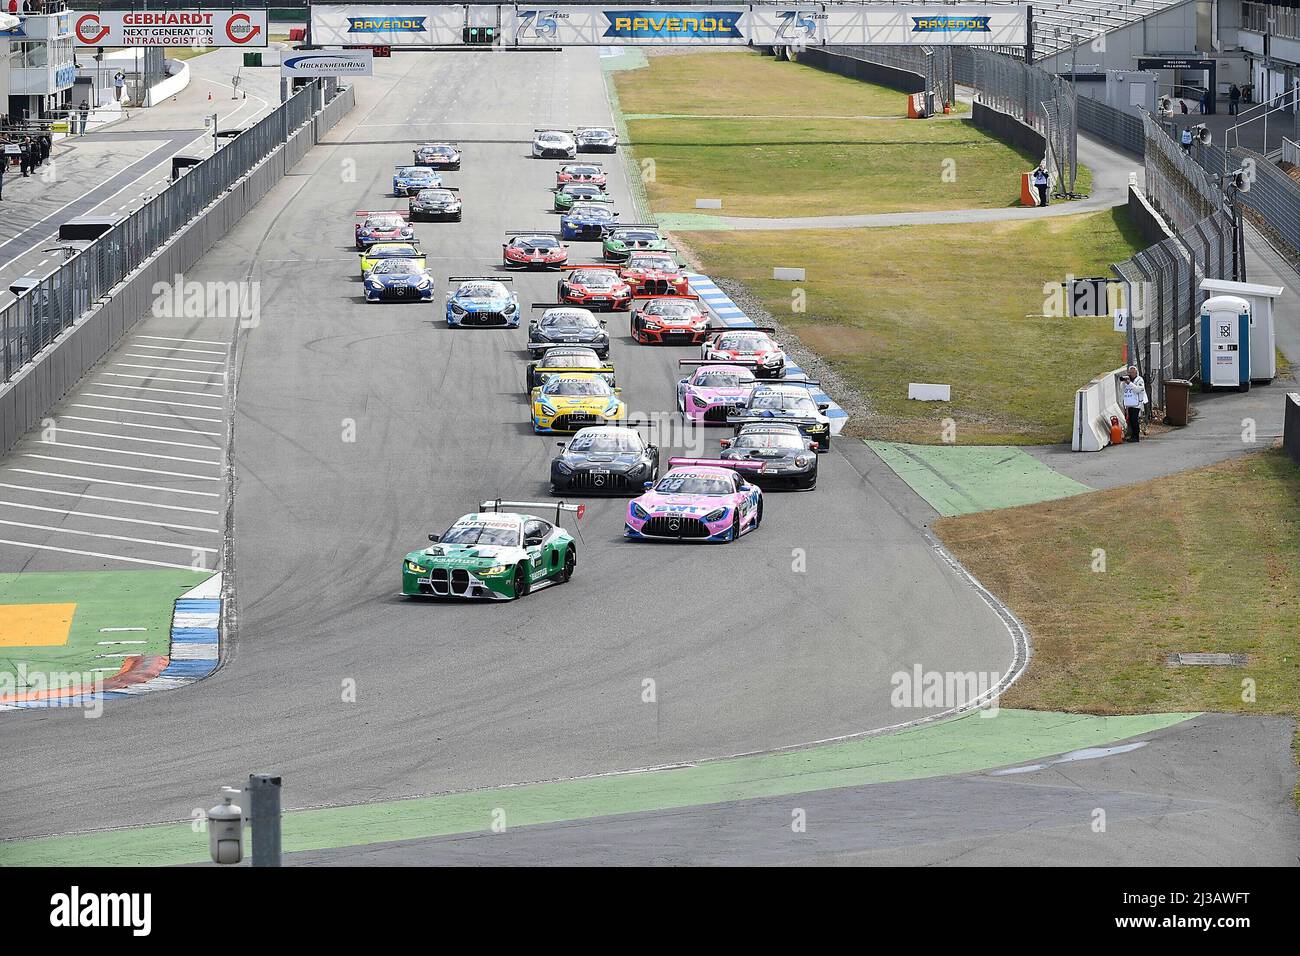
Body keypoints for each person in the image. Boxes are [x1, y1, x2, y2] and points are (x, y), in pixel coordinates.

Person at [1121, 366, 1148, 443]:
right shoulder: (1127, 380)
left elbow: (1138, 390)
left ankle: (1136, 436)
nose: (1131, 374)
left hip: (1137, 403)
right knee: (1130, 420)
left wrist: (1130, 383)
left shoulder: (1139, 380)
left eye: (1133, 372)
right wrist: (1124, 382)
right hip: (1129, 403)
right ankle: (1133, 436)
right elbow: (1122, 389)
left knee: (1134, 419)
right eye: (1130, 372)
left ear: (1136, 372)